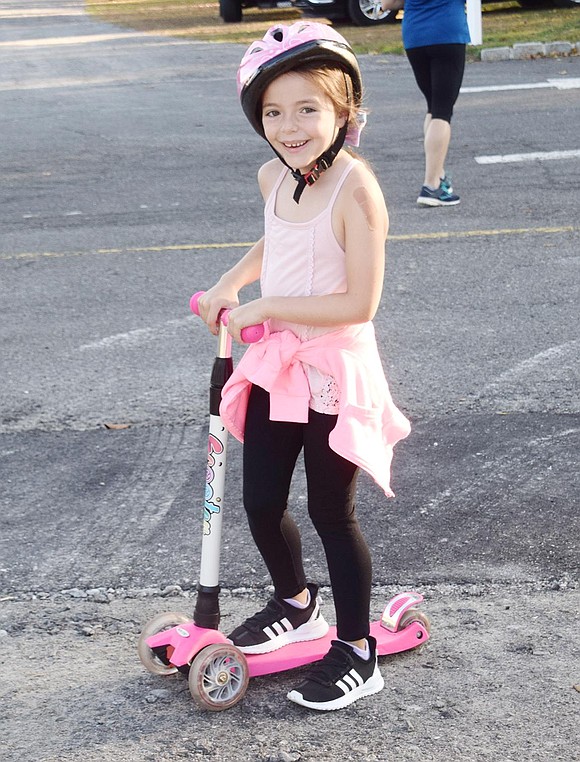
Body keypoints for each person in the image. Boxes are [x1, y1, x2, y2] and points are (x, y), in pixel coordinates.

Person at [197, 21, 411, 712]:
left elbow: (360, 301)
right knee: (259, 499)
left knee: (329, 510)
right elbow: (276, 238)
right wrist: (233, 283)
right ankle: (296, 603)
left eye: (307, 108)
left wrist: (269, 305)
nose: (289, 127)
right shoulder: (274, 175)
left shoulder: (356, 190)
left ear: (344, 110)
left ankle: (357, 650)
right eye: (273, 112)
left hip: (331, 369)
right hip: (278, 363)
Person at [381, 0, 470, 206]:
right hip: (447, 32)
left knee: (433, 106)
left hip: (415, 36)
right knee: (442, 111)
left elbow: (387, 4)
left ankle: (437, 174)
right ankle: (431, 187)